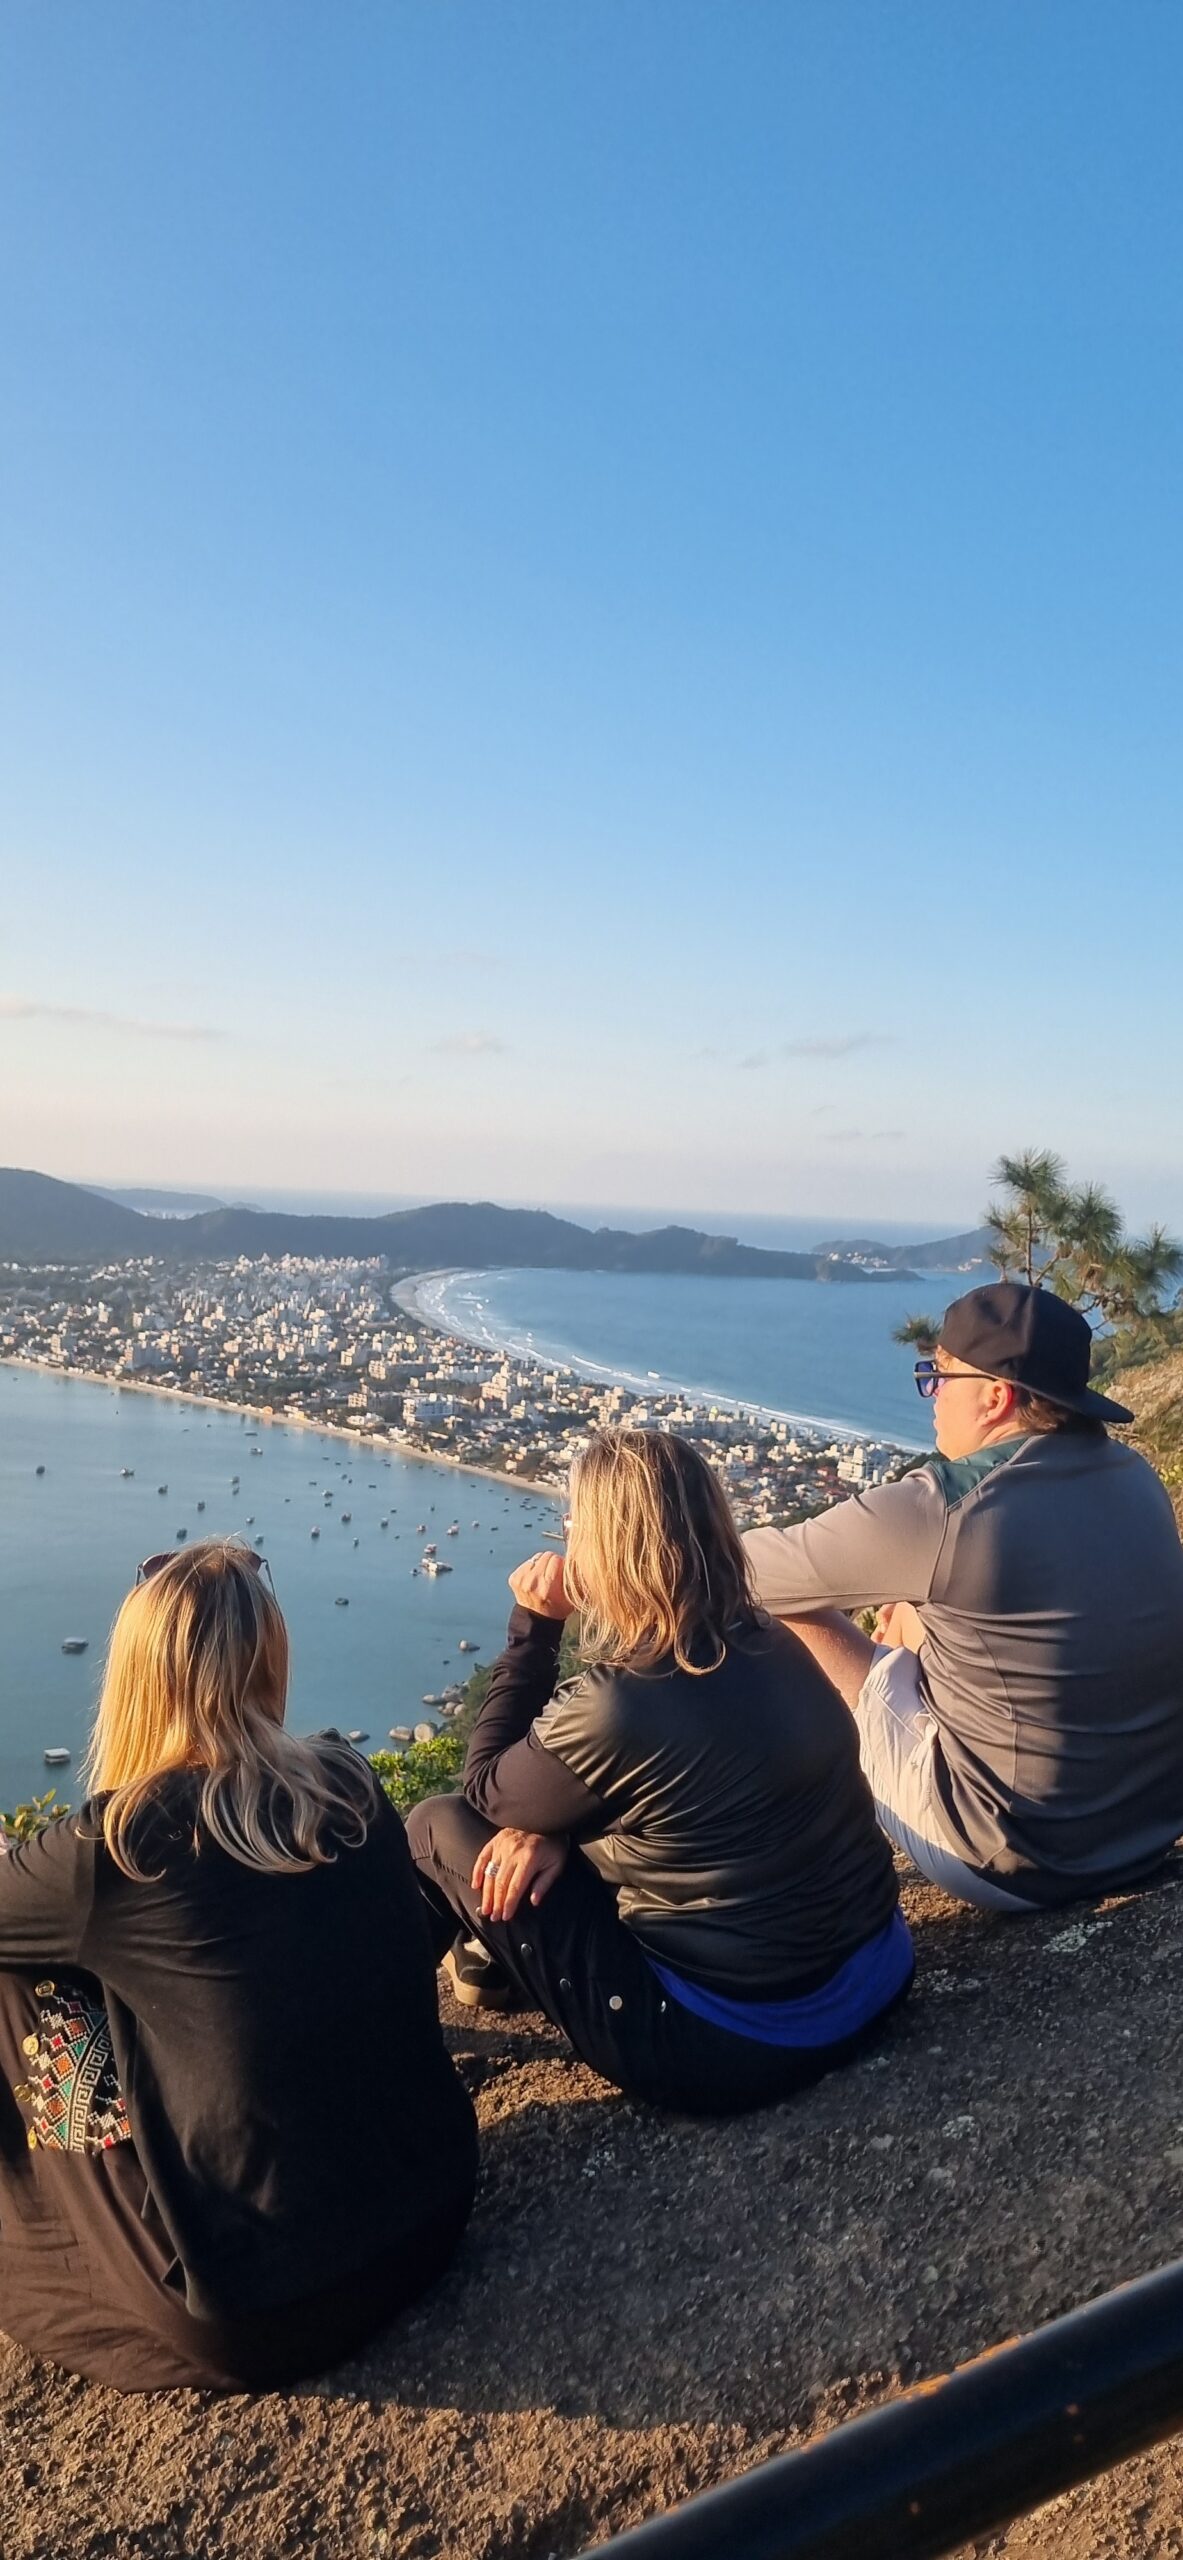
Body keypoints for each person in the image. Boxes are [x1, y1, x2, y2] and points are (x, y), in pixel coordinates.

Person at [0, 1540, 477, 2391]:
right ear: (270, 1658)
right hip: (431, 2222)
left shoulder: (119, 1847)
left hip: (262, 2309)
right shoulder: (350, 1782)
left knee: (10, 1982)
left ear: (139, 1674)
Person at [407, 1428, 913, 2114]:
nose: (567, 1537)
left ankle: (378, 2042)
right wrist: (552, 1826)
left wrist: (534, 1627)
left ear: (608, 1547)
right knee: (539, 1831)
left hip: (735, 2045)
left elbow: (488, 1793)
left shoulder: (622, 1703)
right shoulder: (774, 1638)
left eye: (575, 1525)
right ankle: (489, 1965)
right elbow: (684, 1794)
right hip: (876, 1974)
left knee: (438, 1825)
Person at [744, 1281, 1183, 1914]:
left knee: (795, 1600)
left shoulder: (946, 1507)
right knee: (920, 1607)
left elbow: (747, 1568)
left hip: (1011, 1859)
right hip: (1145, 1834)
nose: (932, 1398)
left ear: (994, 1397)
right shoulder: (1135, 1476)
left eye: (938, 1377)